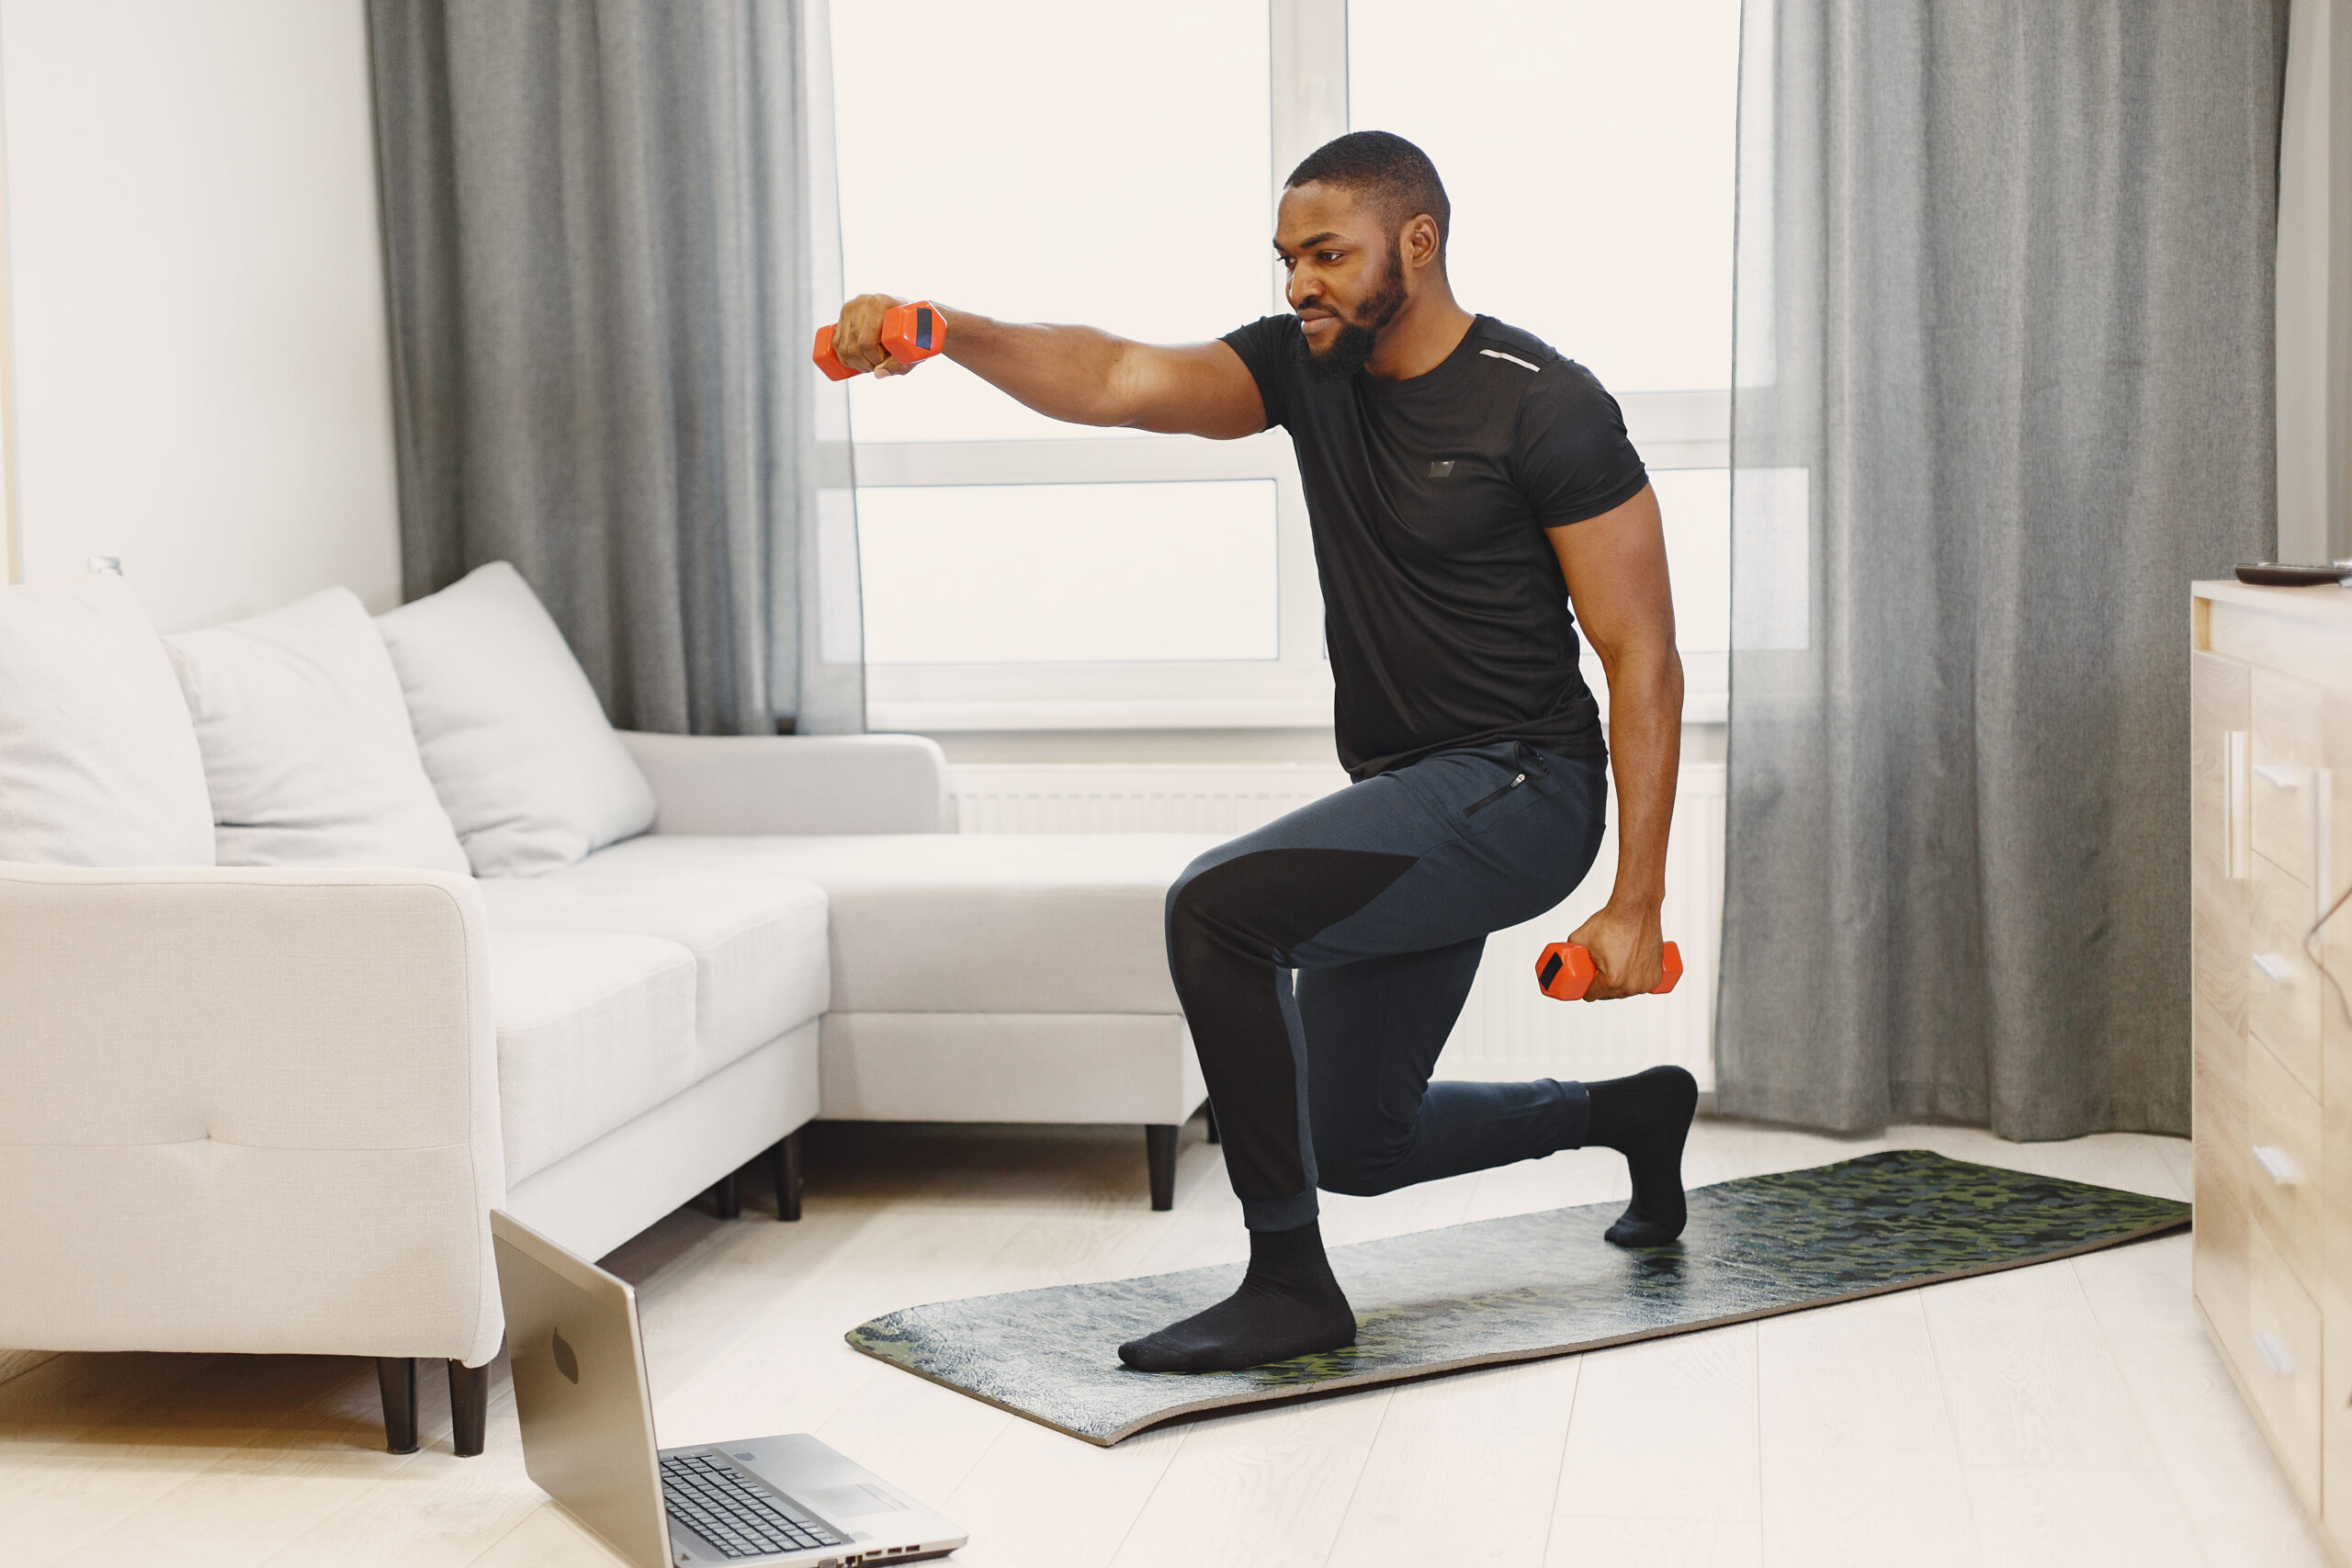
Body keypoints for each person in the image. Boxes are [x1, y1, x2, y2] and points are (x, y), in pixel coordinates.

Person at [826, 130, 1696, 1373]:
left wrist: (1638, 899)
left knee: (1218, 913)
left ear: (1418, 242)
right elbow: (1120, 374)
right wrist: (942, 328)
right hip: (1413, 795)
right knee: (1353, 1141)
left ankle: (1289, 1286)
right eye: (1288, 258)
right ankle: (1629, 1112)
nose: (1300, 282)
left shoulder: (1543, 403)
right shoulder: (1306, 368)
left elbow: (1643, 655)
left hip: (1525, 787)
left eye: (1327, 253)